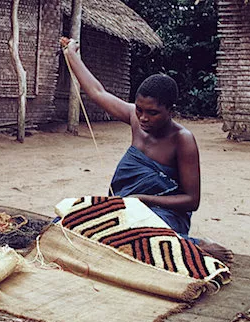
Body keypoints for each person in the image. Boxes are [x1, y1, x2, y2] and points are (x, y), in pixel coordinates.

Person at [59, 37, 233, 266]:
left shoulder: (183, 140)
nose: (143, 118)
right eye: (139, 109)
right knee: (69, 219)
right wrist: (71, 53)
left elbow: (192, 200)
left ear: (170, 110)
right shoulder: (135, 118)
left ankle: (193, 245)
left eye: (152, 113)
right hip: (125, 206)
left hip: (163, 216)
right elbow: (97, 91)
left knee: (136, 238)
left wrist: (142, 200)